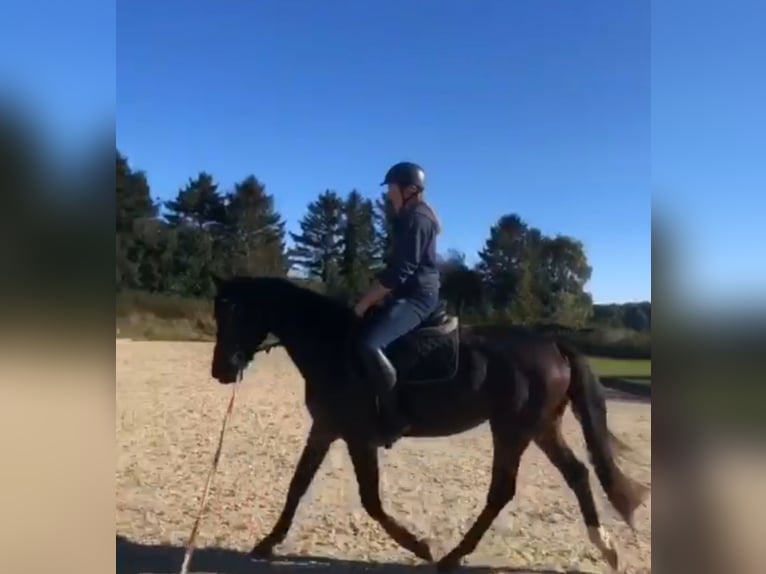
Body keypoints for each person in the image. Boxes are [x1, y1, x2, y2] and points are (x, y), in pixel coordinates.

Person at [353, 161, 441, 446]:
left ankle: (394, 419)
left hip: (418, 297)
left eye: (392, 188)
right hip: (404, 293)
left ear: (410, 190)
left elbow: (401, 272)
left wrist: (364, 302)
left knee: (370, 345)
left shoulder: (417, 219)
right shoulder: (409, 216)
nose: (388, 194)